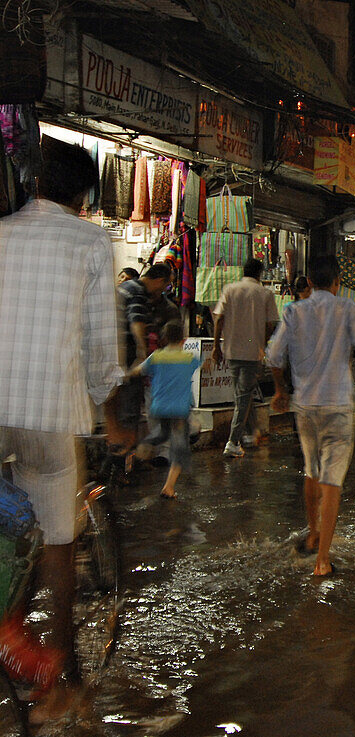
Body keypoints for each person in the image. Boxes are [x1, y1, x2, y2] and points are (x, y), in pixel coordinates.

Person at [0, 139, 124, 720]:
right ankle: (64, 681)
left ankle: (10, 634)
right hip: (50, 408)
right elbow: (102, 346)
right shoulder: (91, 240)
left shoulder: (1, 232)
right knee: (57, 542)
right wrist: (111, 411)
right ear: (84, 196)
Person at [267, 255, 355, 577]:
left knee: (311, 469)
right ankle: (322, 561)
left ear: (310, 283)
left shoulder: (292, 311)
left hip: (305, 406)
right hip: (339, 404)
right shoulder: (346, 308)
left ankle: (313, 533)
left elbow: (273, 356)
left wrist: (279, 390)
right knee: (332, 482)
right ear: (337, 282)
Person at [132, 321, 206, 499]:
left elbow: (138, 371)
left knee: (162, 434)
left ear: (164, 339)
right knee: (180, 449)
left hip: (159, 408)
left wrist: (127, 374)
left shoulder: (156, 356)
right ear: (184, 339)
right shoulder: (189, 358)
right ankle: (169, 487)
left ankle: (143, 446)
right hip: (179, 411)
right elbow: (203, 364)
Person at [213, 258, 278, 458]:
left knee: (242, 394)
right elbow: (271, 325)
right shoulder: (265, 294)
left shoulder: (230, 289)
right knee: (243, 395)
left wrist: (217, 346)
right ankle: (233, 441)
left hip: (231, 350)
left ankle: (250, 434)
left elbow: (219, 319)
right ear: (260, 273)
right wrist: (263, 344)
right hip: (252, 353)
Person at [116, 262, 173, 452]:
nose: (163, 291)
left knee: (121, 412)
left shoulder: (126, 287)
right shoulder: (138, 292)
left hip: (116, 356)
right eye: (165, 286)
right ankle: (123, 462)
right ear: (159, 281)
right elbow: (136, 322)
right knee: (128, 413)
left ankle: (125, 458)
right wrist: (142, 354)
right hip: (127, 356)